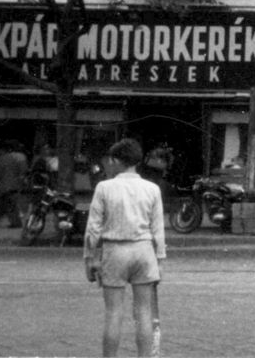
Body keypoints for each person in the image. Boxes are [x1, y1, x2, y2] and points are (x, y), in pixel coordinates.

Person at [84, 137, 166, 358]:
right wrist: (159, 261)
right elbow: (158, 230)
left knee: (113, 313)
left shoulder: (104, 188)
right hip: (144, 251)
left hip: (115, 252)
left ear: (117, 161)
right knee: (144, 313)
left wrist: (90, 259)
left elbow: (93, 229)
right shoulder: (152, 189)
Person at [0, 142, 28, 229]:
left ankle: (15, 223)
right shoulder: (19, 158)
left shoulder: (1, 159)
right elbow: (23, 171)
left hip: (5, 185)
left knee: (7, 204)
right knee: (5, 203)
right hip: (15, 185)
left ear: (3, 150)